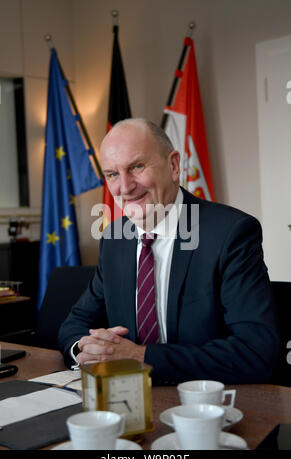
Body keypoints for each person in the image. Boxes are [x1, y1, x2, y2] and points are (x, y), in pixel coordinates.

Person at [58, 118, 280, 385]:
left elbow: (255, 352)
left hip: (207, 406)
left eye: (137, 166)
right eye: (113, 174)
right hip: (127, 401)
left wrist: (141, 356)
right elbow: (76, 323)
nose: (125, 187)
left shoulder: (230, 234)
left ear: (174, 165)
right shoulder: (115, 240)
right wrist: (86, 350)